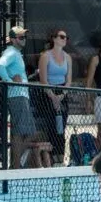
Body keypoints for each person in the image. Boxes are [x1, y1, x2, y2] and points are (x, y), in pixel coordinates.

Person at [0, 26, 36, 169]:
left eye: (24, 37)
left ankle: (15, 164)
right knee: (22, 133)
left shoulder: (16, 53)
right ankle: (16, 166)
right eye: (20, 37)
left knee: (24, 132)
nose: (23, 40)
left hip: (21, 95)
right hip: (17, 96)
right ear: (13, 39)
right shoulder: (12, 52)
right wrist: (9, 80)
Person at [37, 28, 73, 166]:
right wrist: (52, 97)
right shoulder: (45, 56)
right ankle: (51, 159)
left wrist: (62, 95)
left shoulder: (68, 57)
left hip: (62, 94)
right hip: (48, 94)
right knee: (51, 127)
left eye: (66, 37)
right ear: (54, 39)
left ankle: (60, 159)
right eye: (62, 36)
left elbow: (68, 80)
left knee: (61, 127)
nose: (65, 39)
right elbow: (43, 80)